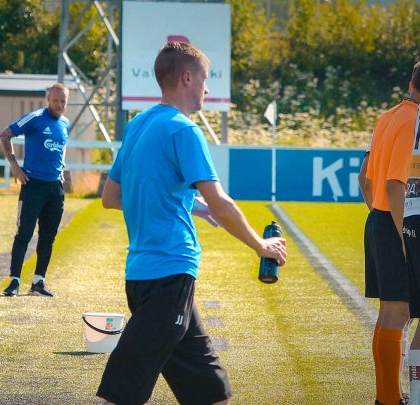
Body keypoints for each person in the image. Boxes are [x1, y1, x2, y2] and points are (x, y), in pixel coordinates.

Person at [98, 41, 287, 405]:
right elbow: (223, 202)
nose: (207, 88)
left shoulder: (138, 125)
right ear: (187, 77)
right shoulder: (185, 130)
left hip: (145, 278)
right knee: (123, 392)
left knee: (210, 392)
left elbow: (112, 198)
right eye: (205, 78)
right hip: (167, 279)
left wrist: (191, 204)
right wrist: (261, 246)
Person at [362, 62, 420, 405]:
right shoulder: (413, 120)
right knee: (399, 314)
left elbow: (365, 180)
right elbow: (395, 184)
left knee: (391, 313)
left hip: (380, 218)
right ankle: (391, 399)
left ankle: (389, 397)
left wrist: (381, 220)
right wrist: (403, 237)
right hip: (400, 222)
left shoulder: (388, 116)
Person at [0, 83, 70, 297]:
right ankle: (14, 281)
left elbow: (60, 149)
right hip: (33, 185)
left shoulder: (65, 123)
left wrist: (62, 172)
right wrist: (14, 165)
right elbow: (5, 135)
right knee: (24, 234)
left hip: (54, 188)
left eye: (63, 101)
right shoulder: (36, 118)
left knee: (48, 236)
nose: (59, 105)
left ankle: (38, 282)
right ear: (49, 99)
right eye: (56, 100)